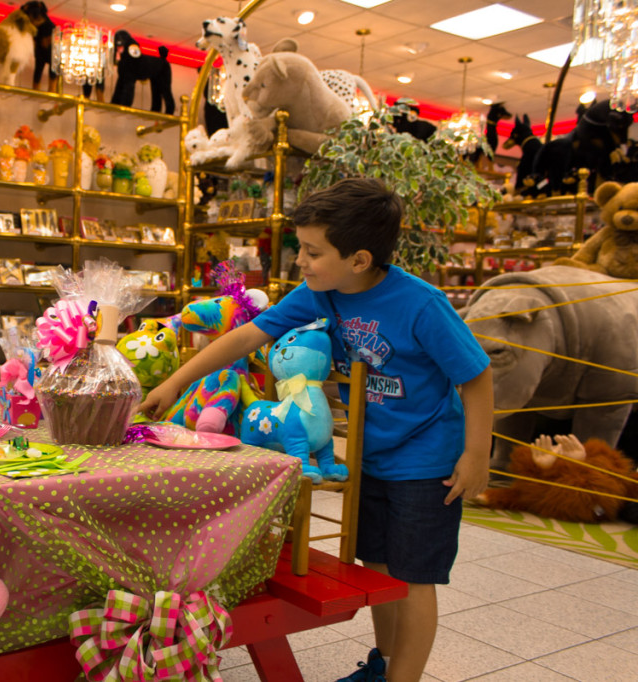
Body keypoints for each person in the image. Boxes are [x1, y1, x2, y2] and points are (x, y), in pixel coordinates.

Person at [138, 177, 493, 682]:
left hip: (427, 462)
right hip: (371, 455)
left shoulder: (421, 304)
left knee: (415, 579)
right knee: (379, 569)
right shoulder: (321, 293)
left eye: (311, 251)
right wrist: (176, 382)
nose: (299, 262)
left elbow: (476, 376)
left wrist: (476, 454)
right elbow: (246, 336)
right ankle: (384, 665)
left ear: (359, 259)